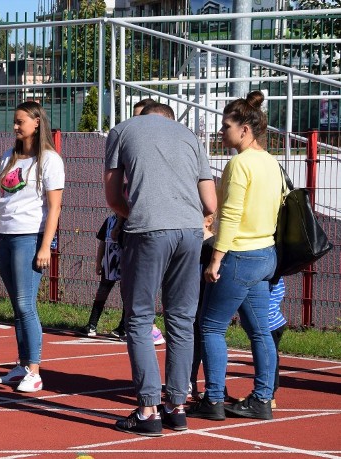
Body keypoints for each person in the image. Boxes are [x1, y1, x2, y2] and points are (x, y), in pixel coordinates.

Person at [105, 101, 216, 436]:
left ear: (143, 116)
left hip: (147, 229)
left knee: (139, 318)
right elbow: (210, 202)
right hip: (191, 231)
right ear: (169, 118)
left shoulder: (123, 130)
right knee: (181, 319)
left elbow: (113, 197)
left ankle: (148, 409)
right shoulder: (190, 137)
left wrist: (132, 214)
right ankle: (177, 406)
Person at [189, 91, 281, 422]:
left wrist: (216, 259)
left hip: (239, 255)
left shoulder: (239, 163)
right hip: (265, 253)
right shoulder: (271, 162)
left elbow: (231, 214)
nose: (221, 131)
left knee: (211, 327)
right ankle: (262, 398)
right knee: (259, 331)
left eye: (226, 125)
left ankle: (213, 399)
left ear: (245, 128)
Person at [0, 101, 64, 393]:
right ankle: (22, 364)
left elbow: (55, 207)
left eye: (21, 121)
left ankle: (34, 370)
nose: (16, 126)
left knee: (25, 303)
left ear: (36, 122)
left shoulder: (50, 160)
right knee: (16, 306)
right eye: (15, 121)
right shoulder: (10, 156)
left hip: (29, 237)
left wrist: (45, 247)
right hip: (5, 235)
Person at [83, 212, 125, 338]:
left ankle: (123, 327)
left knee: (127, 294)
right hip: (109, 261)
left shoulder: (130, 221)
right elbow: (102, 243)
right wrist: (98, 263)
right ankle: (92, 325)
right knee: (102, 291)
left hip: (126, 262)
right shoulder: (109, 220)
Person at [190, 213, 217, 400]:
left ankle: (215, 387)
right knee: (191, 342)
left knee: (206, 340)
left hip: (206, 301)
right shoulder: (190, 242)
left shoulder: (213, 246)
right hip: (190, 301)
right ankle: (189, 381)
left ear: (208, 221)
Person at [268, 278, 286, 408]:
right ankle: (268, 393)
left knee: (268, 357)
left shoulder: (269, 274)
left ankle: (269, 396)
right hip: (276, 321)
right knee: (270, 356)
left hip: (270, 323)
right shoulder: (277, 273)